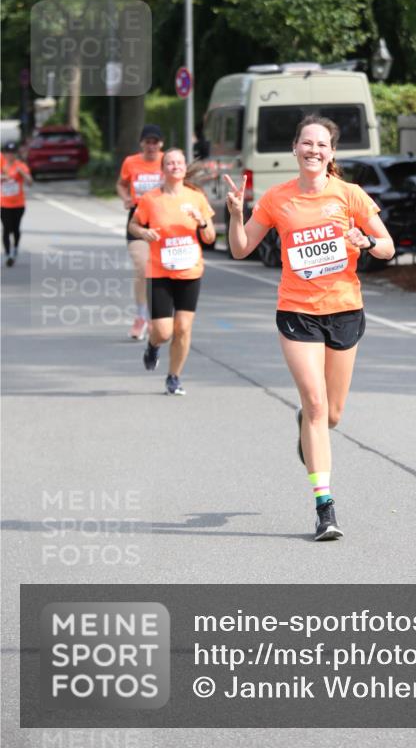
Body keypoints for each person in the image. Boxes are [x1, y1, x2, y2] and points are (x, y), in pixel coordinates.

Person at [224, 115, 394, 541]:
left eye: (322, 144)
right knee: (317, 405)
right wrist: (234, 213)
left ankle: (308, 424)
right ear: (295, 149)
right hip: (296, 313)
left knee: (331, 415)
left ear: (331, 153)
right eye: (306, 143)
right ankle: (325, 507)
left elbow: (389, 247)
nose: (313, 150)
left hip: (344, 310)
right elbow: (241, 248)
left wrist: (367, 242)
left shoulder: (350, 195)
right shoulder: (276, 199)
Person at [128, 147, 215, 396]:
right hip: (160, 271)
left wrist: (202, 221)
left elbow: (209, 238)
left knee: (183, 328)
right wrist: (144, 232)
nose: (175, 166)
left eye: (179, 162)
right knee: (164, 331)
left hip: (189, 271)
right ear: (163, 169)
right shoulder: (151, 199)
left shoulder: (196, 197)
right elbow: (134, 224)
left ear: (185, 167)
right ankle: (153, 345)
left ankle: (174, 376)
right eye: (170, 163)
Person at [116, 124, 164, 340]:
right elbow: (121, 184)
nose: (151, 146)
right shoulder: (131, 162)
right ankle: (141, 316)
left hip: (164, 219)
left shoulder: (167, 161)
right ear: (141, 143)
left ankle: (159, 317)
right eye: (148, 142)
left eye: (155, 142)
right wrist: (125, 197)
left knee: (161, 272)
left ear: (161, 144)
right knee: (142, 267)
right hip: (138, 218)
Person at [1, 141, 32, 267]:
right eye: (8, 153)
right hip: (3, 204)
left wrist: (22, 173)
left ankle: (15, 248)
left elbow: (30, 182)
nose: (10, 155)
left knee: (15, 229)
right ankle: (8, 254)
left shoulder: (20, 166)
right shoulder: (1, 164)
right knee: (6, 229)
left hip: (18, 204)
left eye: (12, 153)